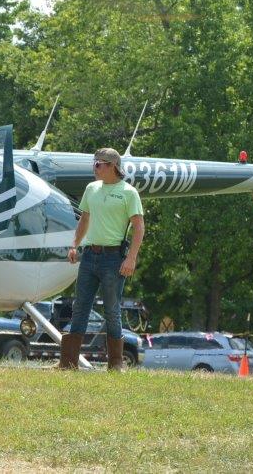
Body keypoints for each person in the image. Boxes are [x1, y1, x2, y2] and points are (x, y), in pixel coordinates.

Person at [60, 147, 144, 371]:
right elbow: (84, 219)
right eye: (94, 163)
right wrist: (74, 245)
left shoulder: (128, 192)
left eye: (99, 164)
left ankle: (115, 364)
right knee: (80, 308)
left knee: (112, 310)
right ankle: (67, 363)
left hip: (113, 258)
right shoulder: (91, 189)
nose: (95, 168)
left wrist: (131, 258)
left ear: (113, 166)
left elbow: (138, 226)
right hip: (89, 256)